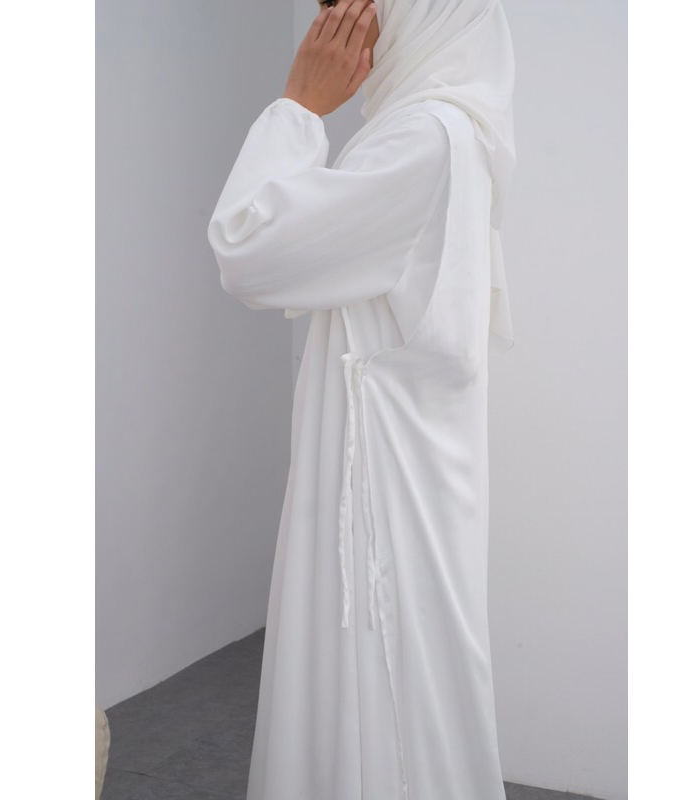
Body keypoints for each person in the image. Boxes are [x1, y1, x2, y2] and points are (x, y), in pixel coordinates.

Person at [207, 1, 516, 798]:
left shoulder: (423, 140)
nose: (337, 22)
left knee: (383, 682)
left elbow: (246, 247)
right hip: (404, 467)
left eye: (353, 3)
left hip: (385, 482)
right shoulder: (450, 133)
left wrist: (298, 107)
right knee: (405, 683)